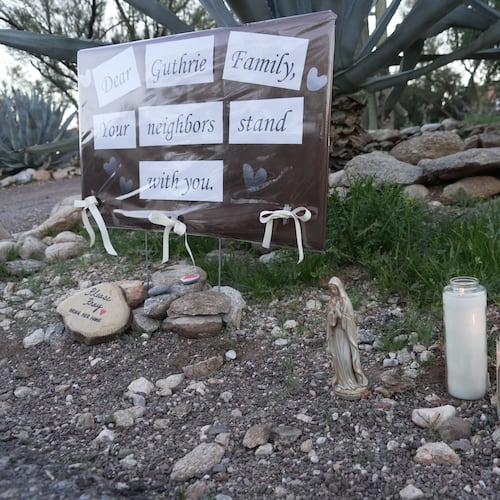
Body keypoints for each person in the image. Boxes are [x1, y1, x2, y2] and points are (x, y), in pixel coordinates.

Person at [326, 277, 368, 399]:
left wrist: (339, 314)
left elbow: (350, 320)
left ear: (339, 288)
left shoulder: (345, 301)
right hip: (336, 334)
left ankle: (351, 382)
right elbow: (329, 319)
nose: (333, 291)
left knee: (346, 357)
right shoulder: (332, 301)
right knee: (339, 359)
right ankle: (342, 382)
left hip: (345, 335)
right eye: (331, 289)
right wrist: (332, 315)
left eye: (334, 288)